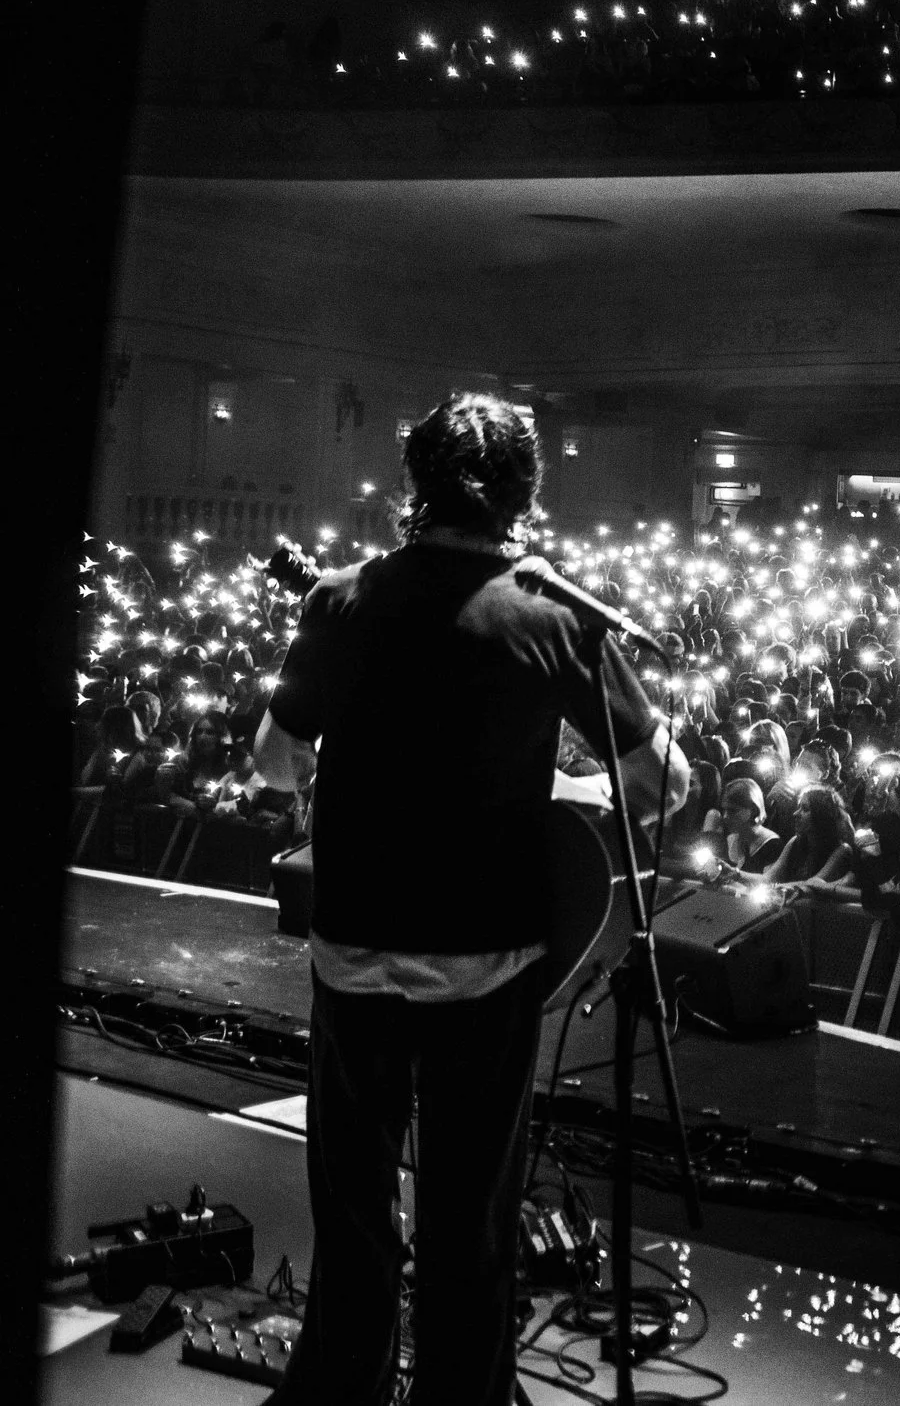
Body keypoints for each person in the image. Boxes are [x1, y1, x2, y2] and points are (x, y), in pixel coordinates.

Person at [252, 392, 687, 1406]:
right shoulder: (555, 616)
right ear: (524, 492)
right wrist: (560, 787)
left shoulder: (342, 599)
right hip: (486, 961)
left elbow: (275, 762)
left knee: (353, 1206)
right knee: (470, 1219)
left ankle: (342, 1388)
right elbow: (664, 783)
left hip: (355, 947)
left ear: (416, 482)